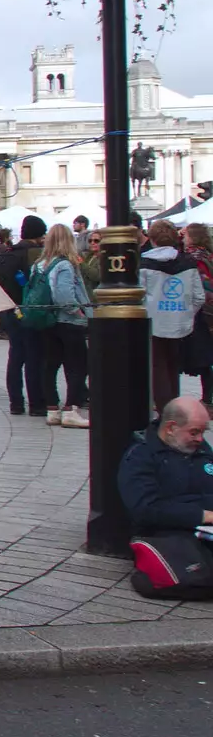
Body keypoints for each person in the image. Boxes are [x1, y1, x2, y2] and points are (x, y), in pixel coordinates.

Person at [117, 395, 213, 532]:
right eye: (194, 432)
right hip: (170, 533)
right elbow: (146, 509)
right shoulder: (141, 456)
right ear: (171, 428)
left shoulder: (200, 448)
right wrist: (204, 516)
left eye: (202, 432)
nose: (200, 439)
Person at [141, 219, 205, 413]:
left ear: (152, 239)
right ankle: (172, 407)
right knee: (173, 366)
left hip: (154, 322)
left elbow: (139, 295)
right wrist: (186, 314)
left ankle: (164, 410)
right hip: (179, 322)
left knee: (157, 366)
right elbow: (198, 297)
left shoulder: (143, 263)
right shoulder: (188, 262)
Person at [35, 224, 91, 428]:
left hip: (47, 321)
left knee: (50, 365)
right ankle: (71, 409)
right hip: (68, 321)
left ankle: (52, 409)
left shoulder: (39, 264)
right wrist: (78, 311)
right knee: (77, 366)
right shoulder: (65, 265)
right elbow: (64, 296)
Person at [0, 214, 48, 417]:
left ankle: (16, 402)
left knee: (15, 357)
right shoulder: (35, 254)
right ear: (38, 234)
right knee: (34, 358)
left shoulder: (5, 254)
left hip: (9, 309)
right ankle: (36, 403)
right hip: (30, 311)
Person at [180, 223, 213, 406]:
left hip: (201, 312)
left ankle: (207, 400)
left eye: (185, 236)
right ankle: (208, 398)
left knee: (203, 356)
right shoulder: (208, 255)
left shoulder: (193, 258)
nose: (183, 239)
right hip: (209, 312)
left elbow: (200, 287)